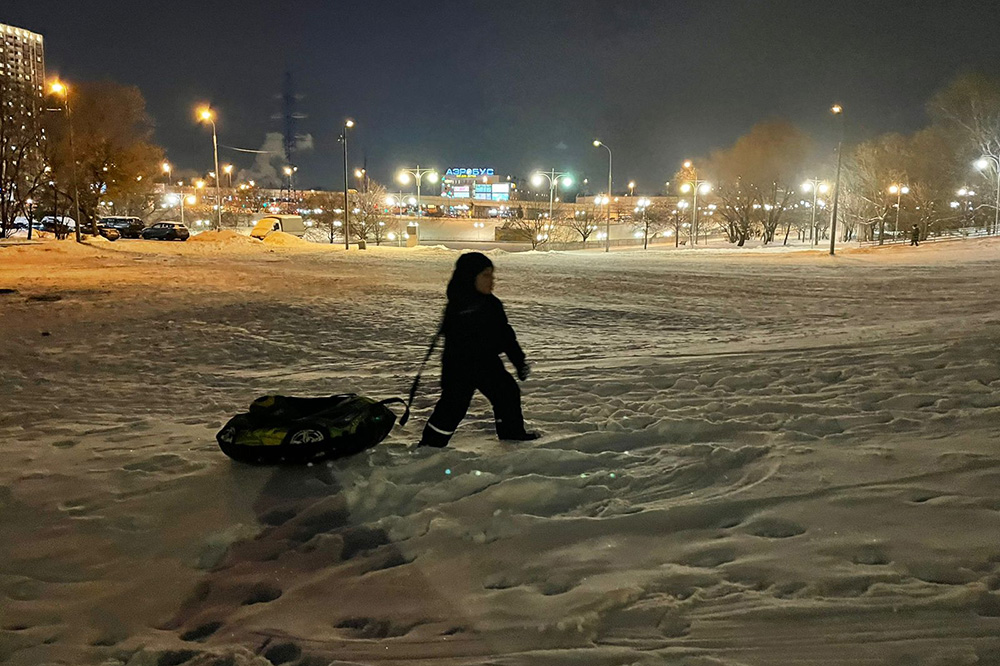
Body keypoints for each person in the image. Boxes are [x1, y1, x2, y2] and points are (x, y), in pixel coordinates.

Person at [418, 252, 538, 448]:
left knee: (507, 393)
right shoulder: (459, 304)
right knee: (453, 407)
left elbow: (506, 336)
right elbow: (460, 340)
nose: (491, 281)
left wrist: (519, 361)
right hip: (460, 367)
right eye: (485, 275)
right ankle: (430, 445)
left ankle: (512, 434)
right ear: (470, 277)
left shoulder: (492, 303)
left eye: (492, 275)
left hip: (487, 363)